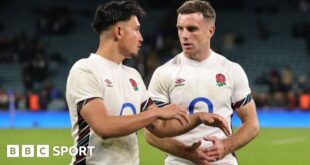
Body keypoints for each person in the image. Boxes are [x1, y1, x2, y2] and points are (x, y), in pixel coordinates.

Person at [66, 1, 230, 165]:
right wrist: (156, 112)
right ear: (118, 31)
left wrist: (198, 118)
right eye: (136, 30)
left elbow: (159, 127)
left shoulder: (133, 75)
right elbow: (104, 127)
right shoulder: (85, 70)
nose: (141, 38)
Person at [144, 0, 259, 165]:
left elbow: (252, 124)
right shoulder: (164, 73)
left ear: (210, 31)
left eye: (192, 29)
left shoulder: (231, 70)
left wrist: (226, 146)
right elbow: (151, 133)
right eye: (180, 28)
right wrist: (187, 153)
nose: (184, 35)